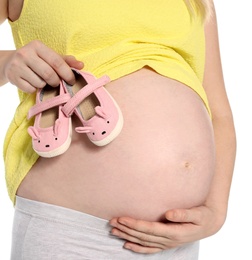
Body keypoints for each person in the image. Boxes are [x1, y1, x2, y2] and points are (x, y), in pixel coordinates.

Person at [0, 0, 236, 259]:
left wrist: (215, 210)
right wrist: (6, 63)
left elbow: (219, 113)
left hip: (175, 242)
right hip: (72, 231)